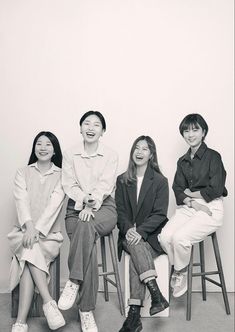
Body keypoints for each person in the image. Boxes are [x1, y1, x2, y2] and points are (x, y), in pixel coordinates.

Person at [58, 111, 118, 332]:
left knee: (86, 226)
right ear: (80, 127)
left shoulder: (111, 155)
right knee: (88, 246)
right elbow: (68, 184)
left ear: (103, 130)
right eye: (86, 123)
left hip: (104, 208)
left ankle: (73, 281)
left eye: (96, 124)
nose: (91, 127)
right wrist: (83, 201)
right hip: (75, 210)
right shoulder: (70, 153)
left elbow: (106, 185)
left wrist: (91, 204)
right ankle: (86, 311)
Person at [159, 113, 228, 298]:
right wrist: (191, 200)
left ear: (203, 132)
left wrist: (190, 193)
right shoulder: (182, 161)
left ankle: (180, 273)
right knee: (165, 237)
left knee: (180, 237)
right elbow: (178, 188)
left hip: (211, 207)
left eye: (195, 129)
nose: (190, 134)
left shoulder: (213, 156)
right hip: (190, 206)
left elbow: (216, 188)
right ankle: (180, 268)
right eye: (186, 130)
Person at [8, 131, 66, 332]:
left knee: (28, 255)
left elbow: (54, 205)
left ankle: (20, 322)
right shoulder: (22, 172)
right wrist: (30, 227)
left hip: (49, 235)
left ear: (54, 149)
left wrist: (38, 230)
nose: (42, 148)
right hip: (23, 231)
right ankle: (49, 302)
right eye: (39, 144)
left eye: (48, 144)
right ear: (34, 148)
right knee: (29, 247)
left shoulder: (62, 175)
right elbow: (21, 201)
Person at [115, 135, 169, 332]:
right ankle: (156, 295)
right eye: (136, 148)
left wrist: (140, 231)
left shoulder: (160, 181)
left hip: (152, 236)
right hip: (128, 234)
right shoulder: (122, 180)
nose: (139, 152)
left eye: (144, 149)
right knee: (135, 245)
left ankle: (134, 316)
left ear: (151, 154)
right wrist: (129, 229)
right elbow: (119, 211)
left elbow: (160, 214)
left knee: (136, 254)